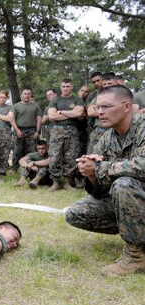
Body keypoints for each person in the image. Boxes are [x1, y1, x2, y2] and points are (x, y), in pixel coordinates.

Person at [66, 85, 145, 276]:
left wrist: (101, 168)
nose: (99, 112)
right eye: (98, 107)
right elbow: (100, 191)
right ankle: (137, 234)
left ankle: (136, 257)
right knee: (76, 213)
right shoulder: (106, 138)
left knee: (124, 184)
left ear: (127, 107)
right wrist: (91, 173)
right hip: (134, 202)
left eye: (106, 107)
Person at [47, 78, 84, 191]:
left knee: (71, 157)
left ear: (72, 87)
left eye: (68, 86)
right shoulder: (55, 100)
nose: (65, 88)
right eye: (63, 86)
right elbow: (52, 116)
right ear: (60, 87)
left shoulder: (77, 100)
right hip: (57, 131)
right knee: (54, 157)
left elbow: (78, 113)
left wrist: (61, 112)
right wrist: (71, 114)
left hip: (72, 131)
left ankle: (68, 182)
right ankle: (56, 182)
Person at [10, 88, 41, 173]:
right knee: (17, 150)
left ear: (31, 95)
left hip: (31, 131)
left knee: (32, 150)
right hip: (19, 130)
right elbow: (11, 119)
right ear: (21, 96)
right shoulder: (16, 106)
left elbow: (38, 119)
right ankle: (14, 168)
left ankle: (31, 167)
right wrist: (17, 130)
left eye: (28, 94)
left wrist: (37, 131)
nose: (27, 95)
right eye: (25, 94)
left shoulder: (35, 106)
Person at [86, 73, 118, 154]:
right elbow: (90, 112)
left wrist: (99, 110)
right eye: (105, 84)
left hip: (117, 132)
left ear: (115, 83)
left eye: (109, 83)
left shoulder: (122, 96)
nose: (107, 86)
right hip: (99, 132)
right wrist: (112, 110)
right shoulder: (97, 98)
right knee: (92, 157)